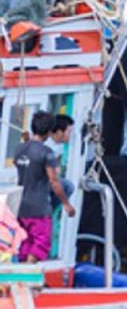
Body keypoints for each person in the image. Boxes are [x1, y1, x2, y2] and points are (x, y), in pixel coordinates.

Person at [14, 111, 76, 262]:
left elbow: (23, 165)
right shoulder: (47, 153)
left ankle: (22, 271)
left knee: (25, 243)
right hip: (39, 208)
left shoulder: (19, 149)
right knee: (41, 243)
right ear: (49, 131)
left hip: (21, 206)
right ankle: (28, 273)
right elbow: (54, 181)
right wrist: (66, 204)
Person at [47, 114, 75, 209]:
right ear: (59, 133)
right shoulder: (47, 146)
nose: (70, 136)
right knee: (68, 187)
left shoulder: (59, 146)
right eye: (69, 132)